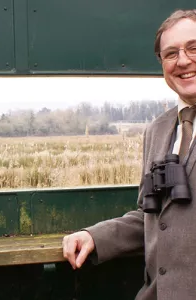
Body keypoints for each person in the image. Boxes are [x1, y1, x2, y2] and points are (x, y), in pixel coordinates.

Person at [63, 9, 196, 300]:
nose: (183, 60)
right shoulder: (157, 131)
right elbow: (153, 216)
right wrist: (95, 236)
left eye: (193, 47)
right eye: (171, 54)